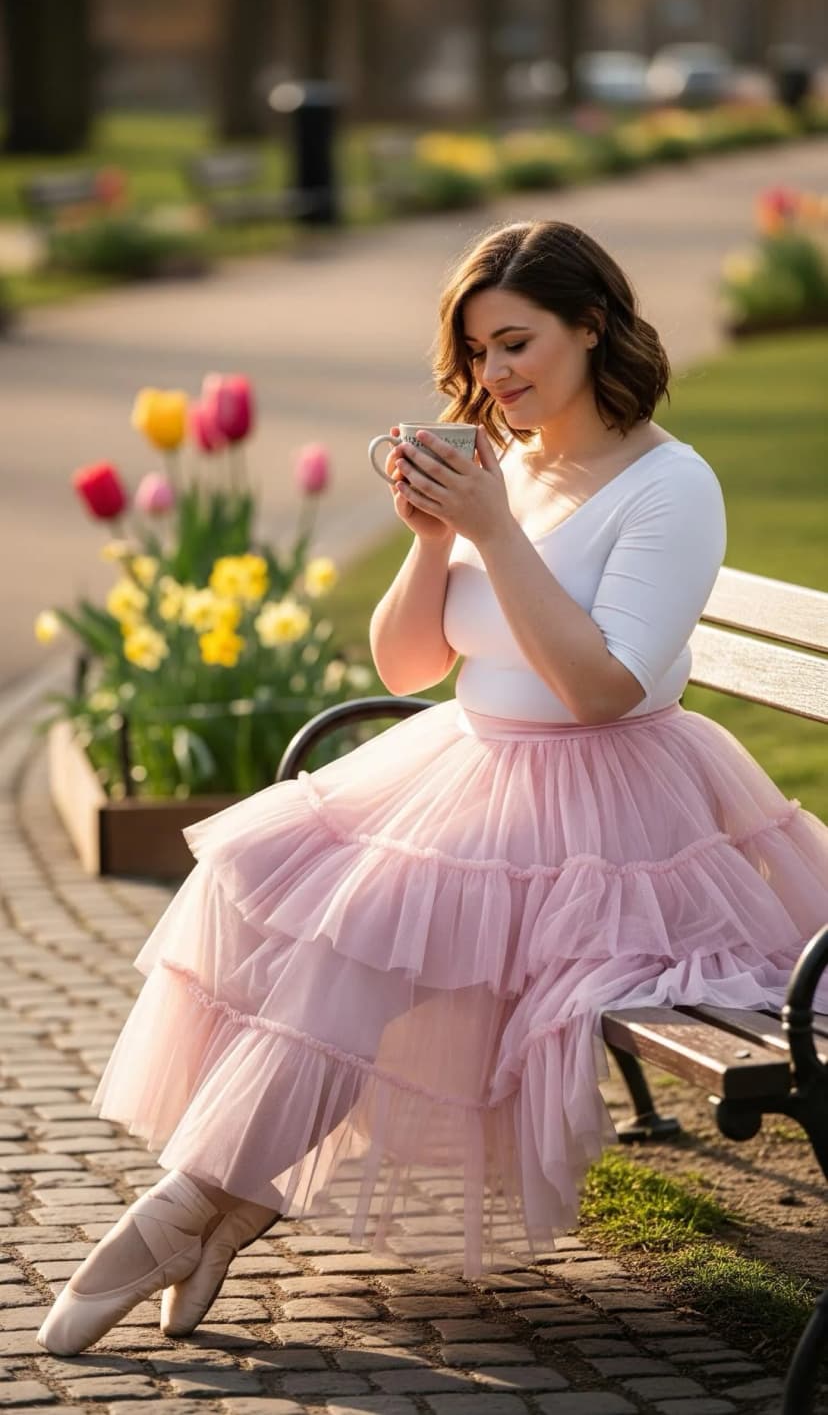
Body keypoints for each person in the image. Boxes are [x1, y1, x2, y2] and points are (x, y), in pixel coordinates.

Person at [37, 219, 828, 1357]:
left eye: (519, 343)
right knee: (282, 902)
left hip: (608, 812)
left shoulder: (672, 483)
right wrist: (426, 539)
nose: (497, 374)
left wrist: (493, 528)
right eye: (480, 351)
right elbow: (407, 669)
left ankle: (185, 1212)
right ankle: (211, 1207)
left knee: (352, 940)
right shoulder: (505, 468)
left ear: (591, 325)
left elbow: (603, 688)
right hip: (469, 766)